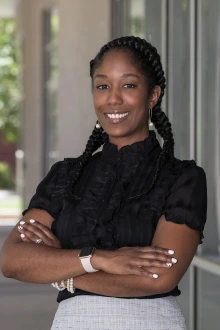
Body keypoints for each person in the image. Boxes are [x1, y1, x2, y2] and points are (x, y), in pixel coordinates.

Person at [1, 36, 207, 330]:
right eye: (102, 86)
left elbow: (159, 278)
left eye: (129, 85)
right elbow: (12, 260)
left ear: (153, 95)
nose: (113, 98)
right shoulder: (65, 176)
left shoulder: (183, 178)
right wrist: (97, 259)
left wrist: (61, 271)